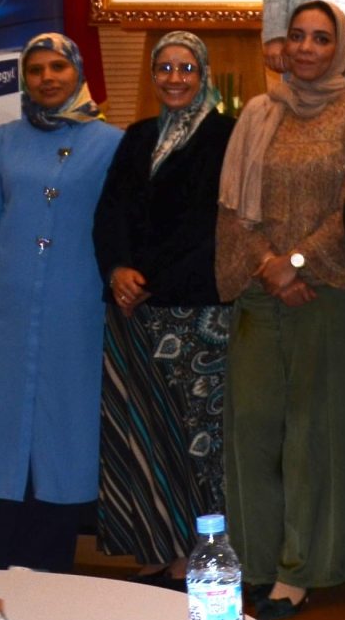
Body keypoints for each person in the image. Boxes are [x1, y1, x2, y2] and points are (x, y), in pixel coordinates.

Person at [216, 0, 345, 620]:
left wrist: (297, 263)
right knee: (256, 430)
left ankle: (303, 568)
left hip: (327, 293)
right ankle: (256, 563)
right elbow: (236, 206)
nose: (307, 48)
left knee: (314, 437)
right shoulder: (260, 113)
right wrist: (268, 264)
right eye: (297, 37)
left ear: (339, 48)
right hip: (263, 292)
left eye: (320, 38)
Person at [0, 34, 124, 573]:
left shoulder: (111, 143)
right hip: (2, 316)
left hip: (78, 315)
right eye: (37, 69)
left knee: (63, 435)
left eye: (58, 68)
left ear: (77, 73)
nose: (48, 78)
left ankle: (50, 570)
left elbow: (120, 228)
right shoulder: (3, 141)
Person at [92, 32, 237, 580]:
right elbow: (110, 213)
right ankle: (157, 549)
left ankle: (199, 559)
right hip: (132, 311)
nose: (175, 79)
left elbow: (214, 227)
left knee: (198, 441)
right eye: (165, 69)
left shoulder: (226, 136)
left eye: (186, 69)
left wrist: (149, 279)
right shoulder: (136, 137)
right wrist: (118, 270)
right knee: (143, 436)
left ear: (204, 75)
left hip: (195, 314)